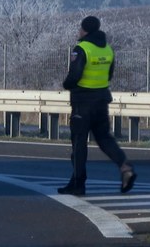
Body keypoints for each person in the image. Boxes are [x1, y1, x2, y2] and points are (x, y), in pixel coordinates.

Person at [58, 16, 136, 195]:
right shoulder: (107, 49)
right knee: (104, 138)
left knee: (79, 143)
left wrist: (67, 84)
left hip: (83, 102)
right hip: (101, 99)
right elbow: (109, 75)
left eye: (80, 28)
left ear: (84, 30)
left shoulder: (82, 49)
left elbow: (75, 75)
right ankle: (125, 167)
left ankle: (78, 183)